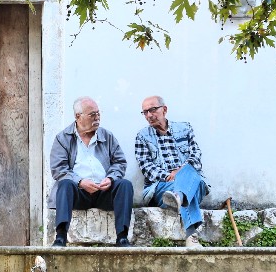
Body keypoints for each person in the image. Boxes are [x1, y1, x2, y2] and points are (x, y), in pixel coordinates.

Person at [48, 97, 134, 247]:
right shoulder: (63, 138)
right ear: (78, 116)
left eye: (98, 114)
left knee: (125, 185)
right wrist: (80, 182)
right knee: (65, 184)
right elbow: (58, 169)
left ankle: (122, 237)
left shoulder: (107, 136)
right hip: (78, 193)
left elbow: (120, 162)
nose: (97, 118)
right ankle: (60, 237)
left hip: (103, 191)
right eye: (92, 114)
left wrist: (111, 178)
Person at [135, 95, 209, 248]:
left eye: (153, 110)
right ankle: (191, 237)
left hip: (191, 182)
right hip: (161, 187)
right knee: (186, 187)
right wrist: (170, 176)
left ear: (165, 109)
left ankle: (179, 196)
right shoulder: (142, 137)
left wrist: (180, 173)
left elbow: (196, 156)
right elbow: (147, 168)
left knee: (192, 173)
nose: (149, 115)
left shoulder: (185, 128)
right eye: (145, 112)